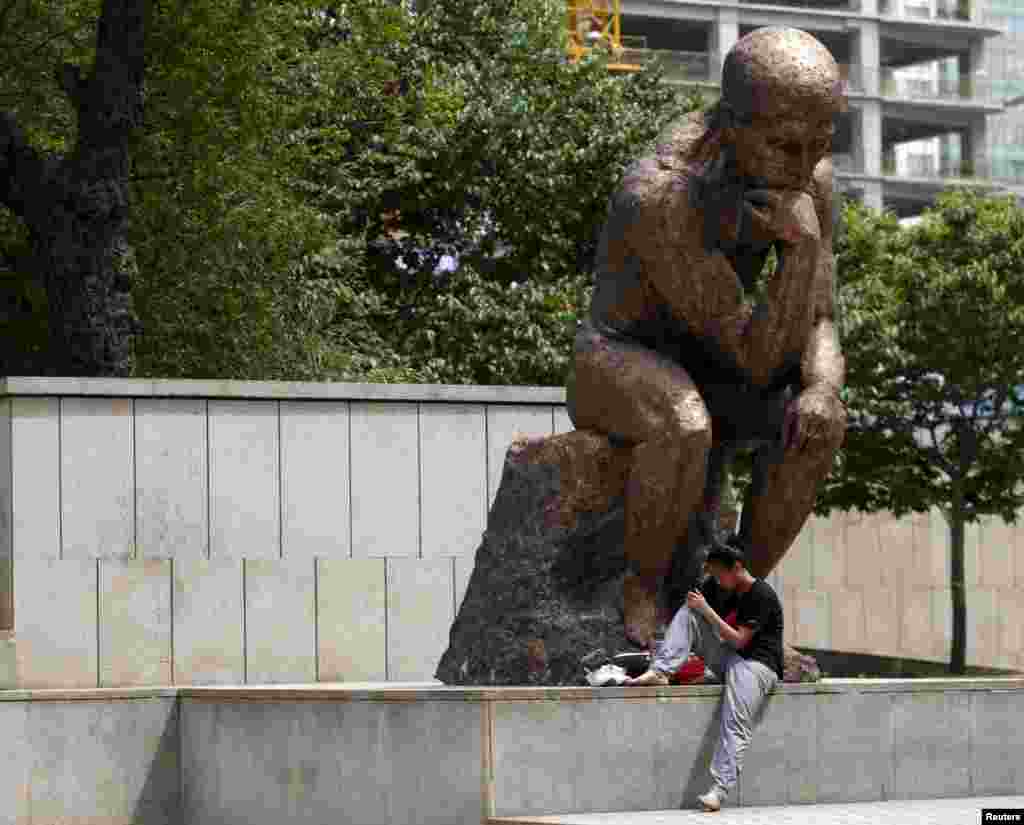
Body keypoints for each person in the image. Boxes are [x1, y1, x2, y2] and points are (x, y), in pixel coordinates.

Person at [565, 26, 847, 649]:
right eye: (783, 147)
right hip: (622, 357)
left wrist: (823, 387)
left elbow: (820, 317)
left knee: (817, 422)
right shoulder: (663, 194)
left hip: (722, 360)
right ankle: (641, 592)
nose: (803, 168)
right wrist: (797, 255)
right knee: (684, 423)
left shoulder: (811, 183)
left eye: (818, 145)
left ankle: (728, 601)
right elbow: (753, 357)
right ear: (733, 124)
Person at [625, 542, 784, 812]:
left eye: (719, 574)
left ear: (736, 568)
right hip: (728, 658)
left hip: (756, 666)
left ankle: (718, 791)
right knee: (689, 612)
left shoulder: (761, 595)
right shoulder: (720, 585)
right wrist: (699, 609)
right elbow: (694, 612)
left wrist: (708, 611)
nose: (716, 581)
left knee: (735, 722)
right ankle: (660, 671)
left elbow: (740, 642)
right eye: (711, 574)